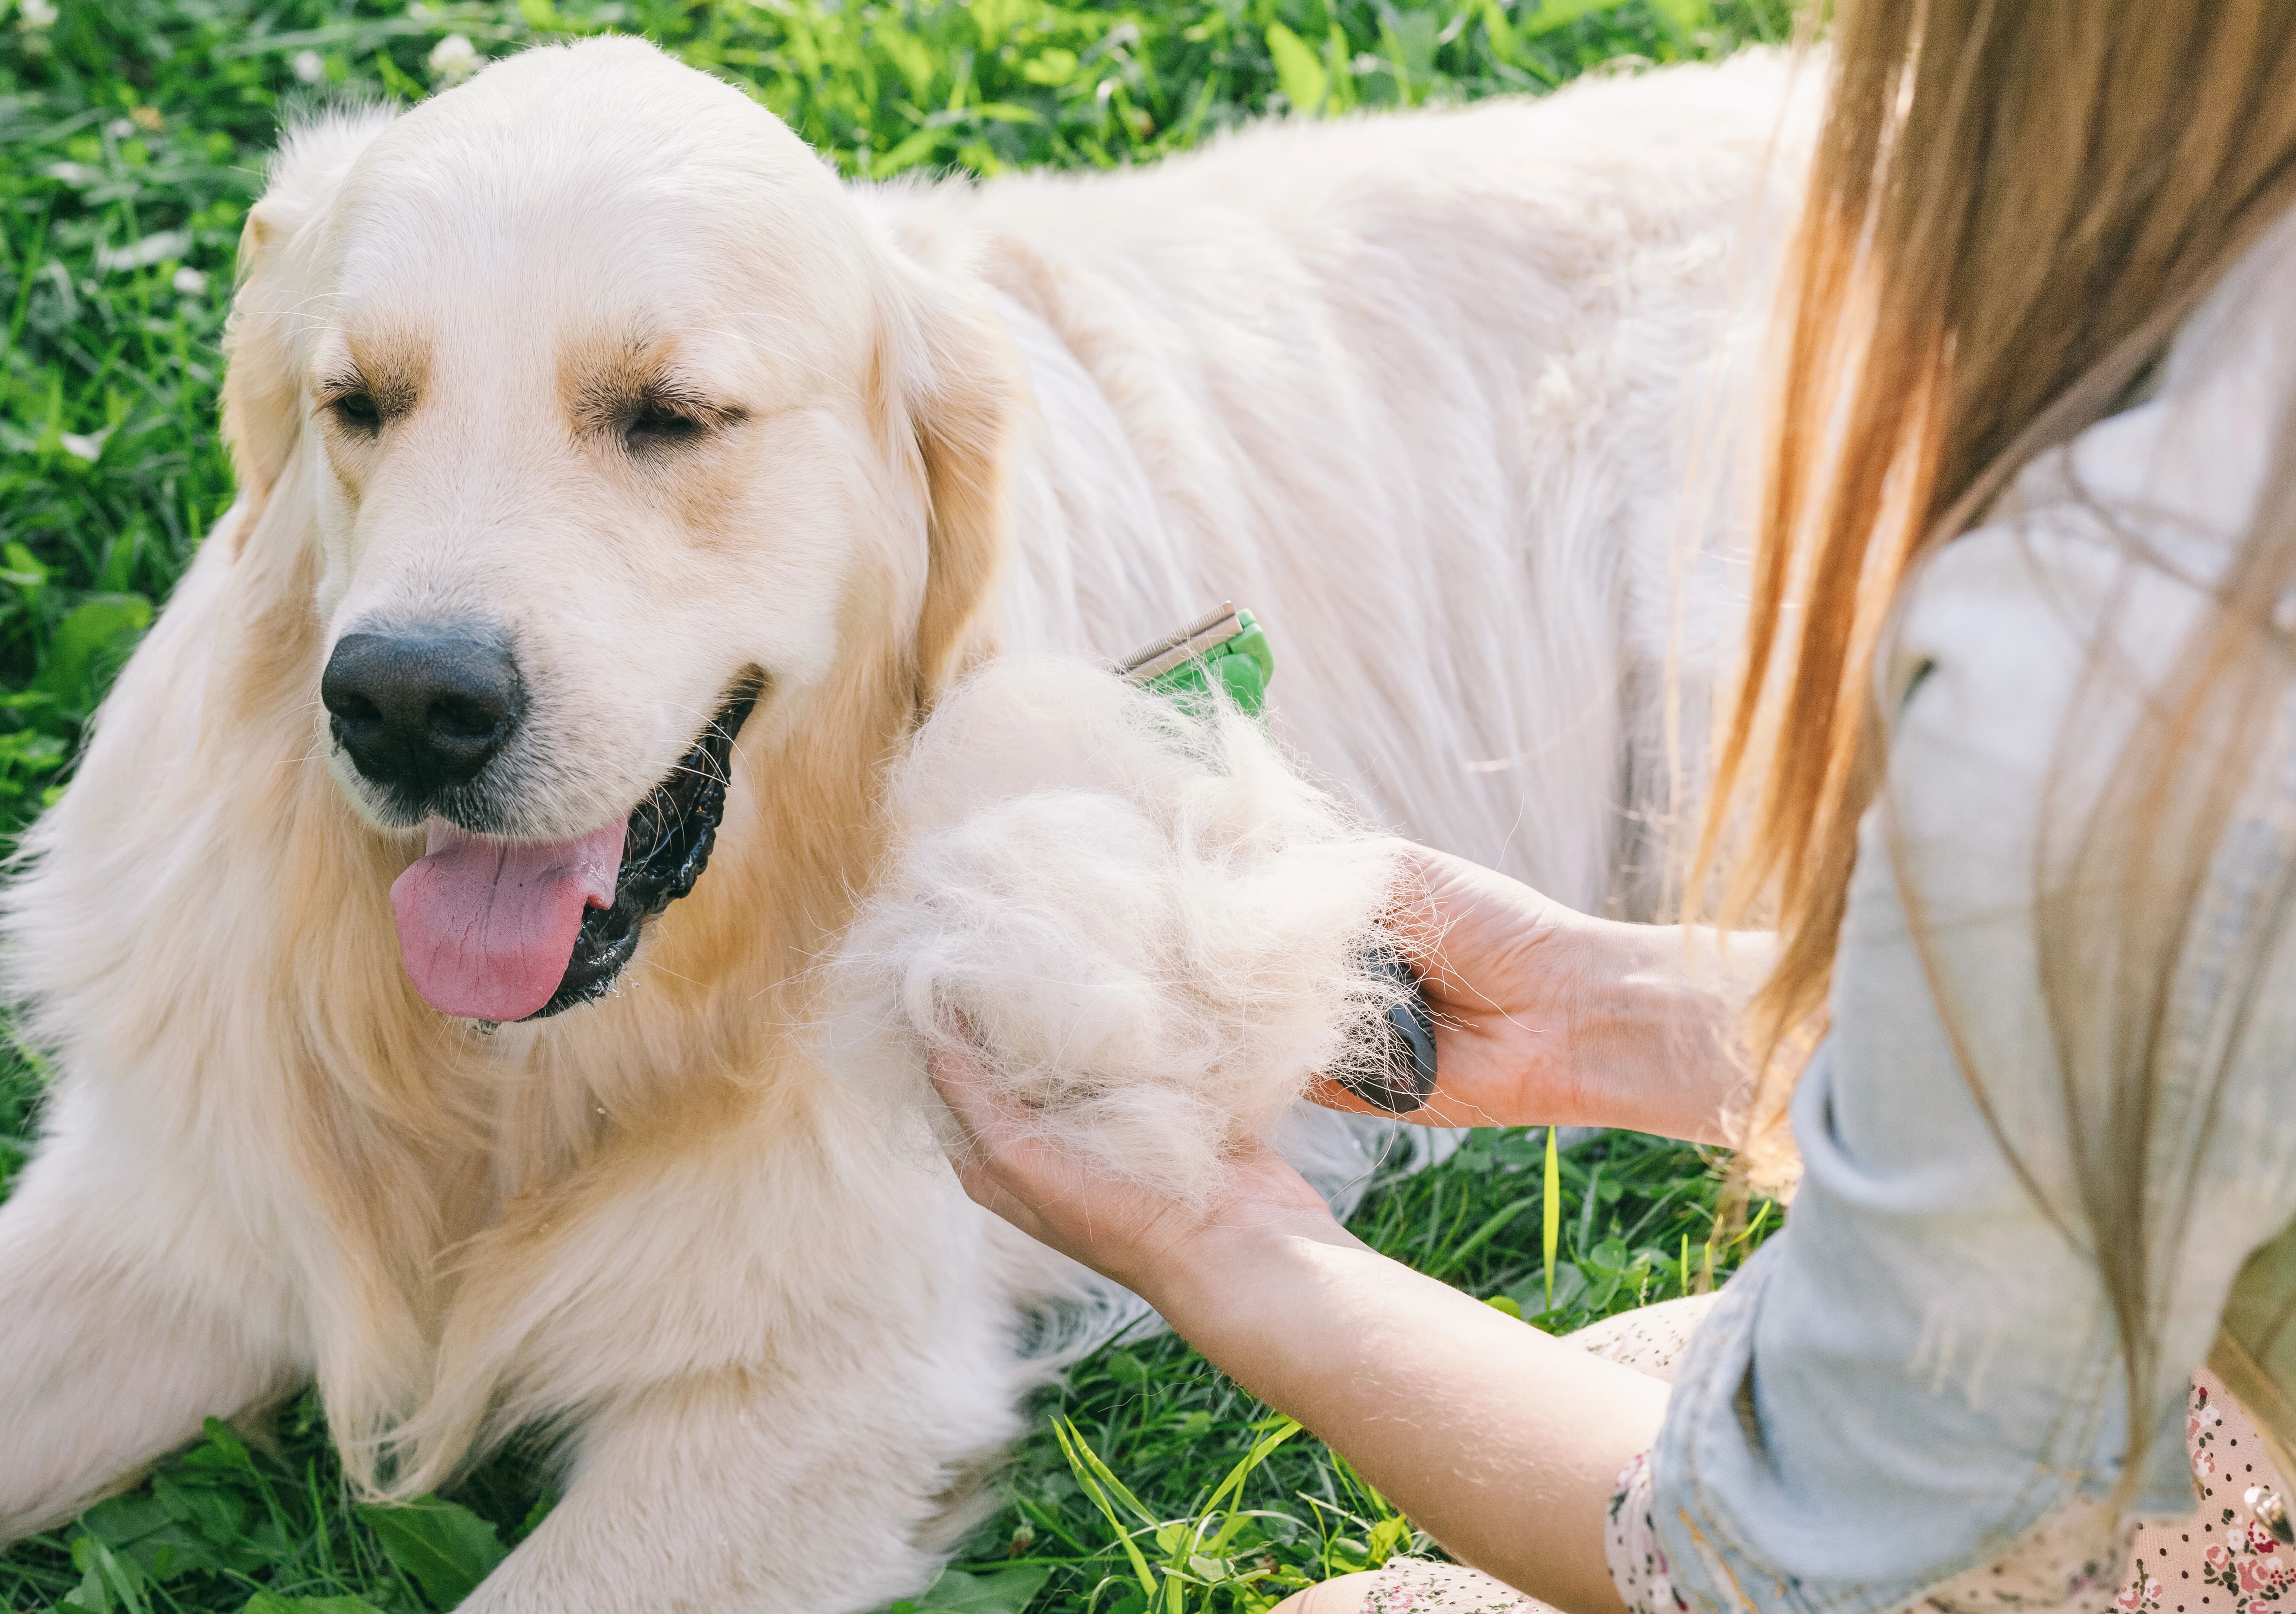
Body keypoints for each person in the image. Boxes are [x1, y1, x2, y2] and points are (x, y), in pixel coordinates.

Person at [925, 3, 2296, 1611]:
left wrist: (1229, 1240)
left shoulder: (2109, 663)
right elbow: (2214, 1030)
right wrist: (1628, 1008)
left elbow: (1782, 1562)